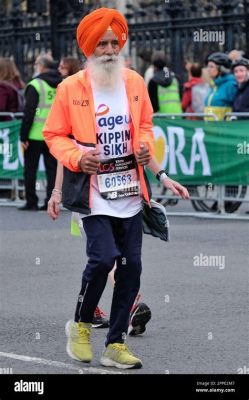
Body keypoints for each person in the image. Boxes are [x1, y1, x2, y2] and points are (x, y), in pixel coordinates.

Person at [43, 8, 188, 370]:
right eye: (101, 43)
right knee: (103, 259)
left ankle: (115, 343)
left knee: (132, 267)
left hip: (130, 193)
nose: (109, 49)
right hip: (93, 194)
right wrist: (77, 157)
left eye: (113, 42)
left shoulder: (135, 82)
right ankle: (79, 325)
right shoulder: (70, 88)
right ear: (89, 49)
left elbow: (144, 126)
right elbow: (54, 135)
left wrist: (146, 150)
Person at [19, 54, 62, 211]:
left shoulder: (36, 84)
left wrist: (23, 136)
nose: (35, 66)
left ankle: (31, 201)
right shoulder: (61, 83)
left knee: (30, 169)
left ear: (42, 66)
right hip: (53, 135)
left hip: (35, 134)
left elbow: (29, 112)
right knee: (52, 170)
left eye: (36, 63)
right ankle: (49, 202)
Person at [204, 52, 237, 120]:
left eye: (211, 67)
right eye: (208, 66)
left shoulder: (231, 85)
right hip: (210, 128)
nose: (208, 69)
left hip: (224, 128)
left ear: (221, 69)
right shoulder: (215, 85)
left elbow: (237, 108)